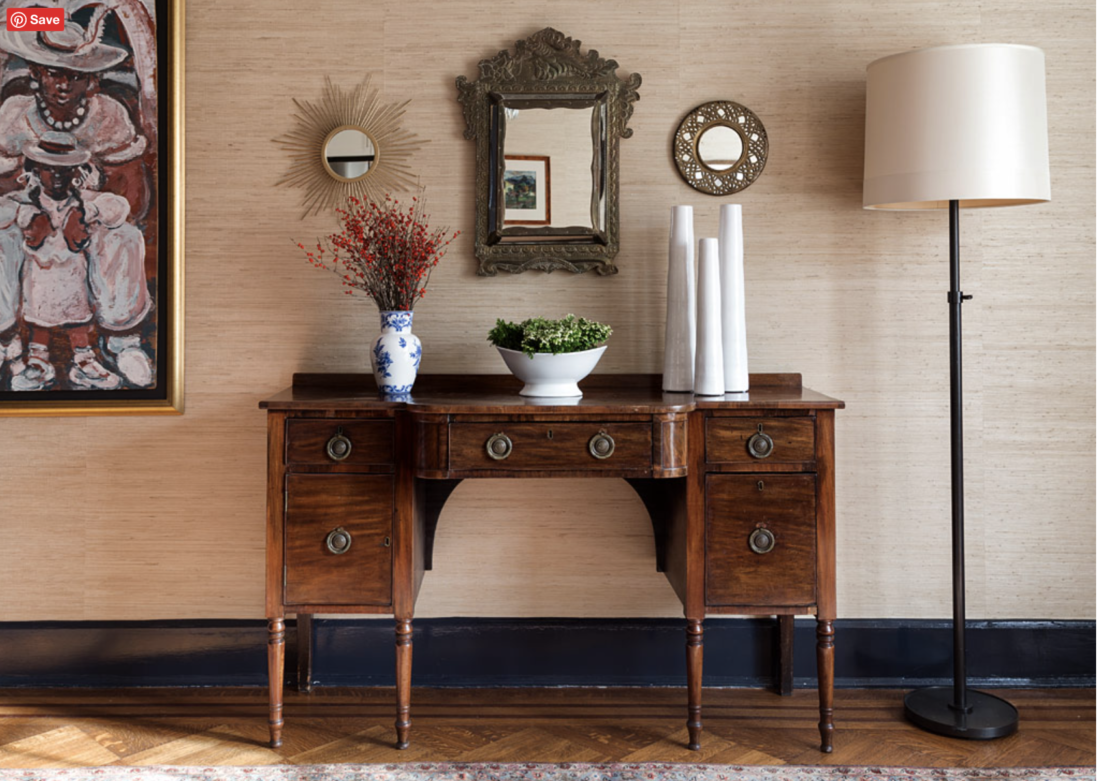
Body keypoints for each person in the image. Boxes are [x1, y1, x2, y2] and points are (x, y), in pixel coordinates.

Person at [0, 12, 152, 388]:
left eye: (75, 74)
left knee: (125, 236)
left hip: (87, 215)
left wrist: (86, 213)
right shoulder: (14, 114)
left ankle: (122, 339)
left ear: (92, 79)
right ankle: (6, 338)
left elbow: (133, 193)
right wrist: (28, 214)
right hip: (28, 212)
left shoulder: (109, 115)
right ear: (36, 72)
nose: (63, 84)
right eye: (54, 72)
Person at [5, 133, 144, 391]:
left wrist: (86, 213)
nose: (56, 177)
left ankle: (84, 361)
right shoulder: (26, 201)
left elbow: (119, 207)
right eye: (48, 169)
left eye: (64, 170)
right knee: (39, 316)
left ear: (75, 171)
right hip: (39, 278)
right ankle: (37, 361)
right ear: (35, 170)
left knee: (77, 316)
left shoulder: (82, 200)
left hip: (72, 275)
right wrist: (28, 217)